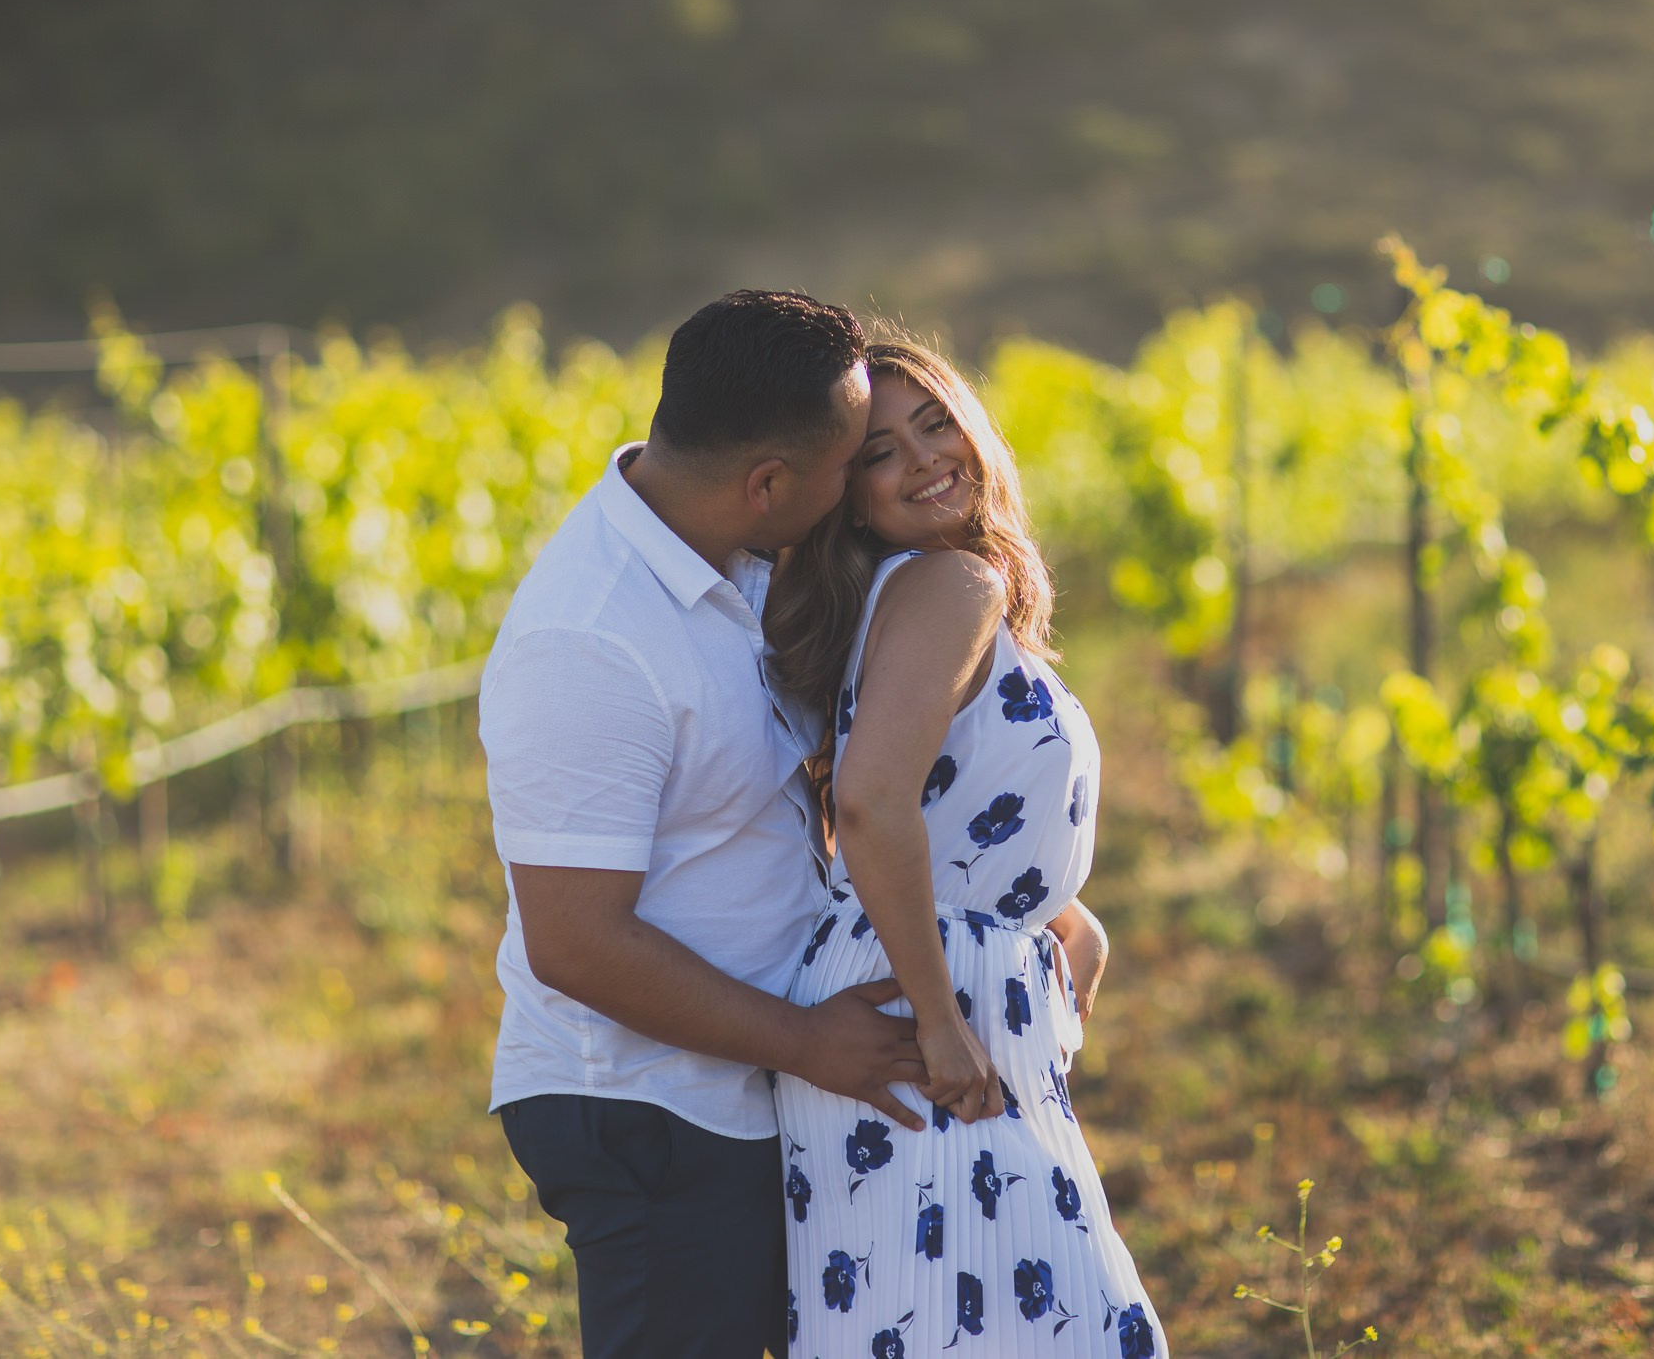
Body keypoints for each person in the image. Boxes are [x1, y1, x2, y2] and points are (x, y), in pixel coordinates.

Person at [478, 290, 932, 1359]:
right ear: (767, 482)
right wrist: (810, 1042)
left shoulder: (738, 557)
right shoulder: (589, 641)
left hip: (737, 1082)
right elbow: (577, 940)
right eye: (846, 465)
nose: (853, 489)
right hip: (650, 1107)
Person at [766, 337, 1166, 1358]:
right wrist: (940, 1019)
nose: (923, 459)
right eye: (881, 453)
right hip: (927, 1002)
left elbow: (948, 797)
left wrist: (1062, 917)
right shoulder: (949, 583)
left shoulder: (918, 591)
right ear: (851, 497)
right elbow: (867, 802)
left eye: (934, 423)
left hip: (944, 982)